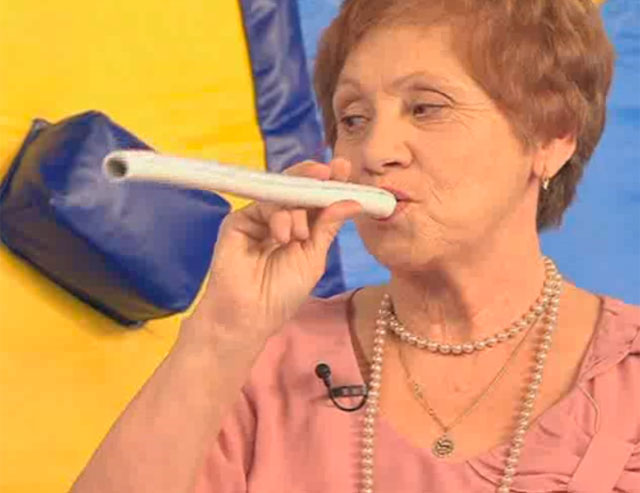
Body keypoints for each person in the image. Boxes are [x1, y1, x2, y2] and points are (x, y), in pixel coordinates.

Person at [71, 0, 639, 492]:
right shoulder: (253, 363)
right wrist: (221, 332)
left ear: (552, 138)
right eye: (353, 118)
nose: (375, 150)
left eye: (426, 107)